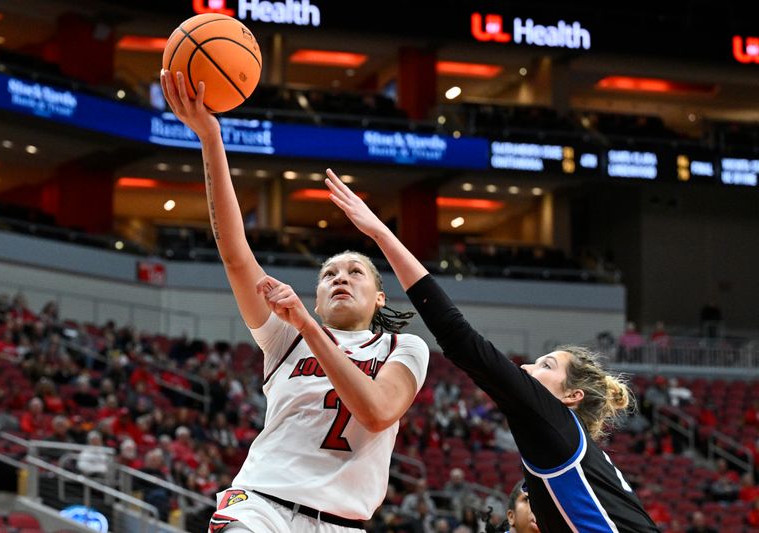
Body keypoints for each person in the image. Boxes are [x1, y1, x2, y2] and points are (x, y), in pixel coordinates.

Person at [160, 71, 429, 533]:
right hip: (260, 504)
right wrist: (211, 139)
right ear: (317, 298)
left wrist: (308, 326)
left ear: (380, 297)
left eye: (354, 272)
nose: (339, 278)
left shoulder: (404, 349)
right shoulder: (284, 334)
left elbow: (377, 412)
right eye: (328, 275)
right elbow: (235, 254)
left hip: (342, 522)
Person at [325, 170, 659, 532]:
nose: (528, 367)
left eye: (546, 365)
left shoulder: (552, 420)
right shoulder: (567, 449)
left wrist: (380, 234)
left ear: (571, 396)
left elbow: (459, 337)